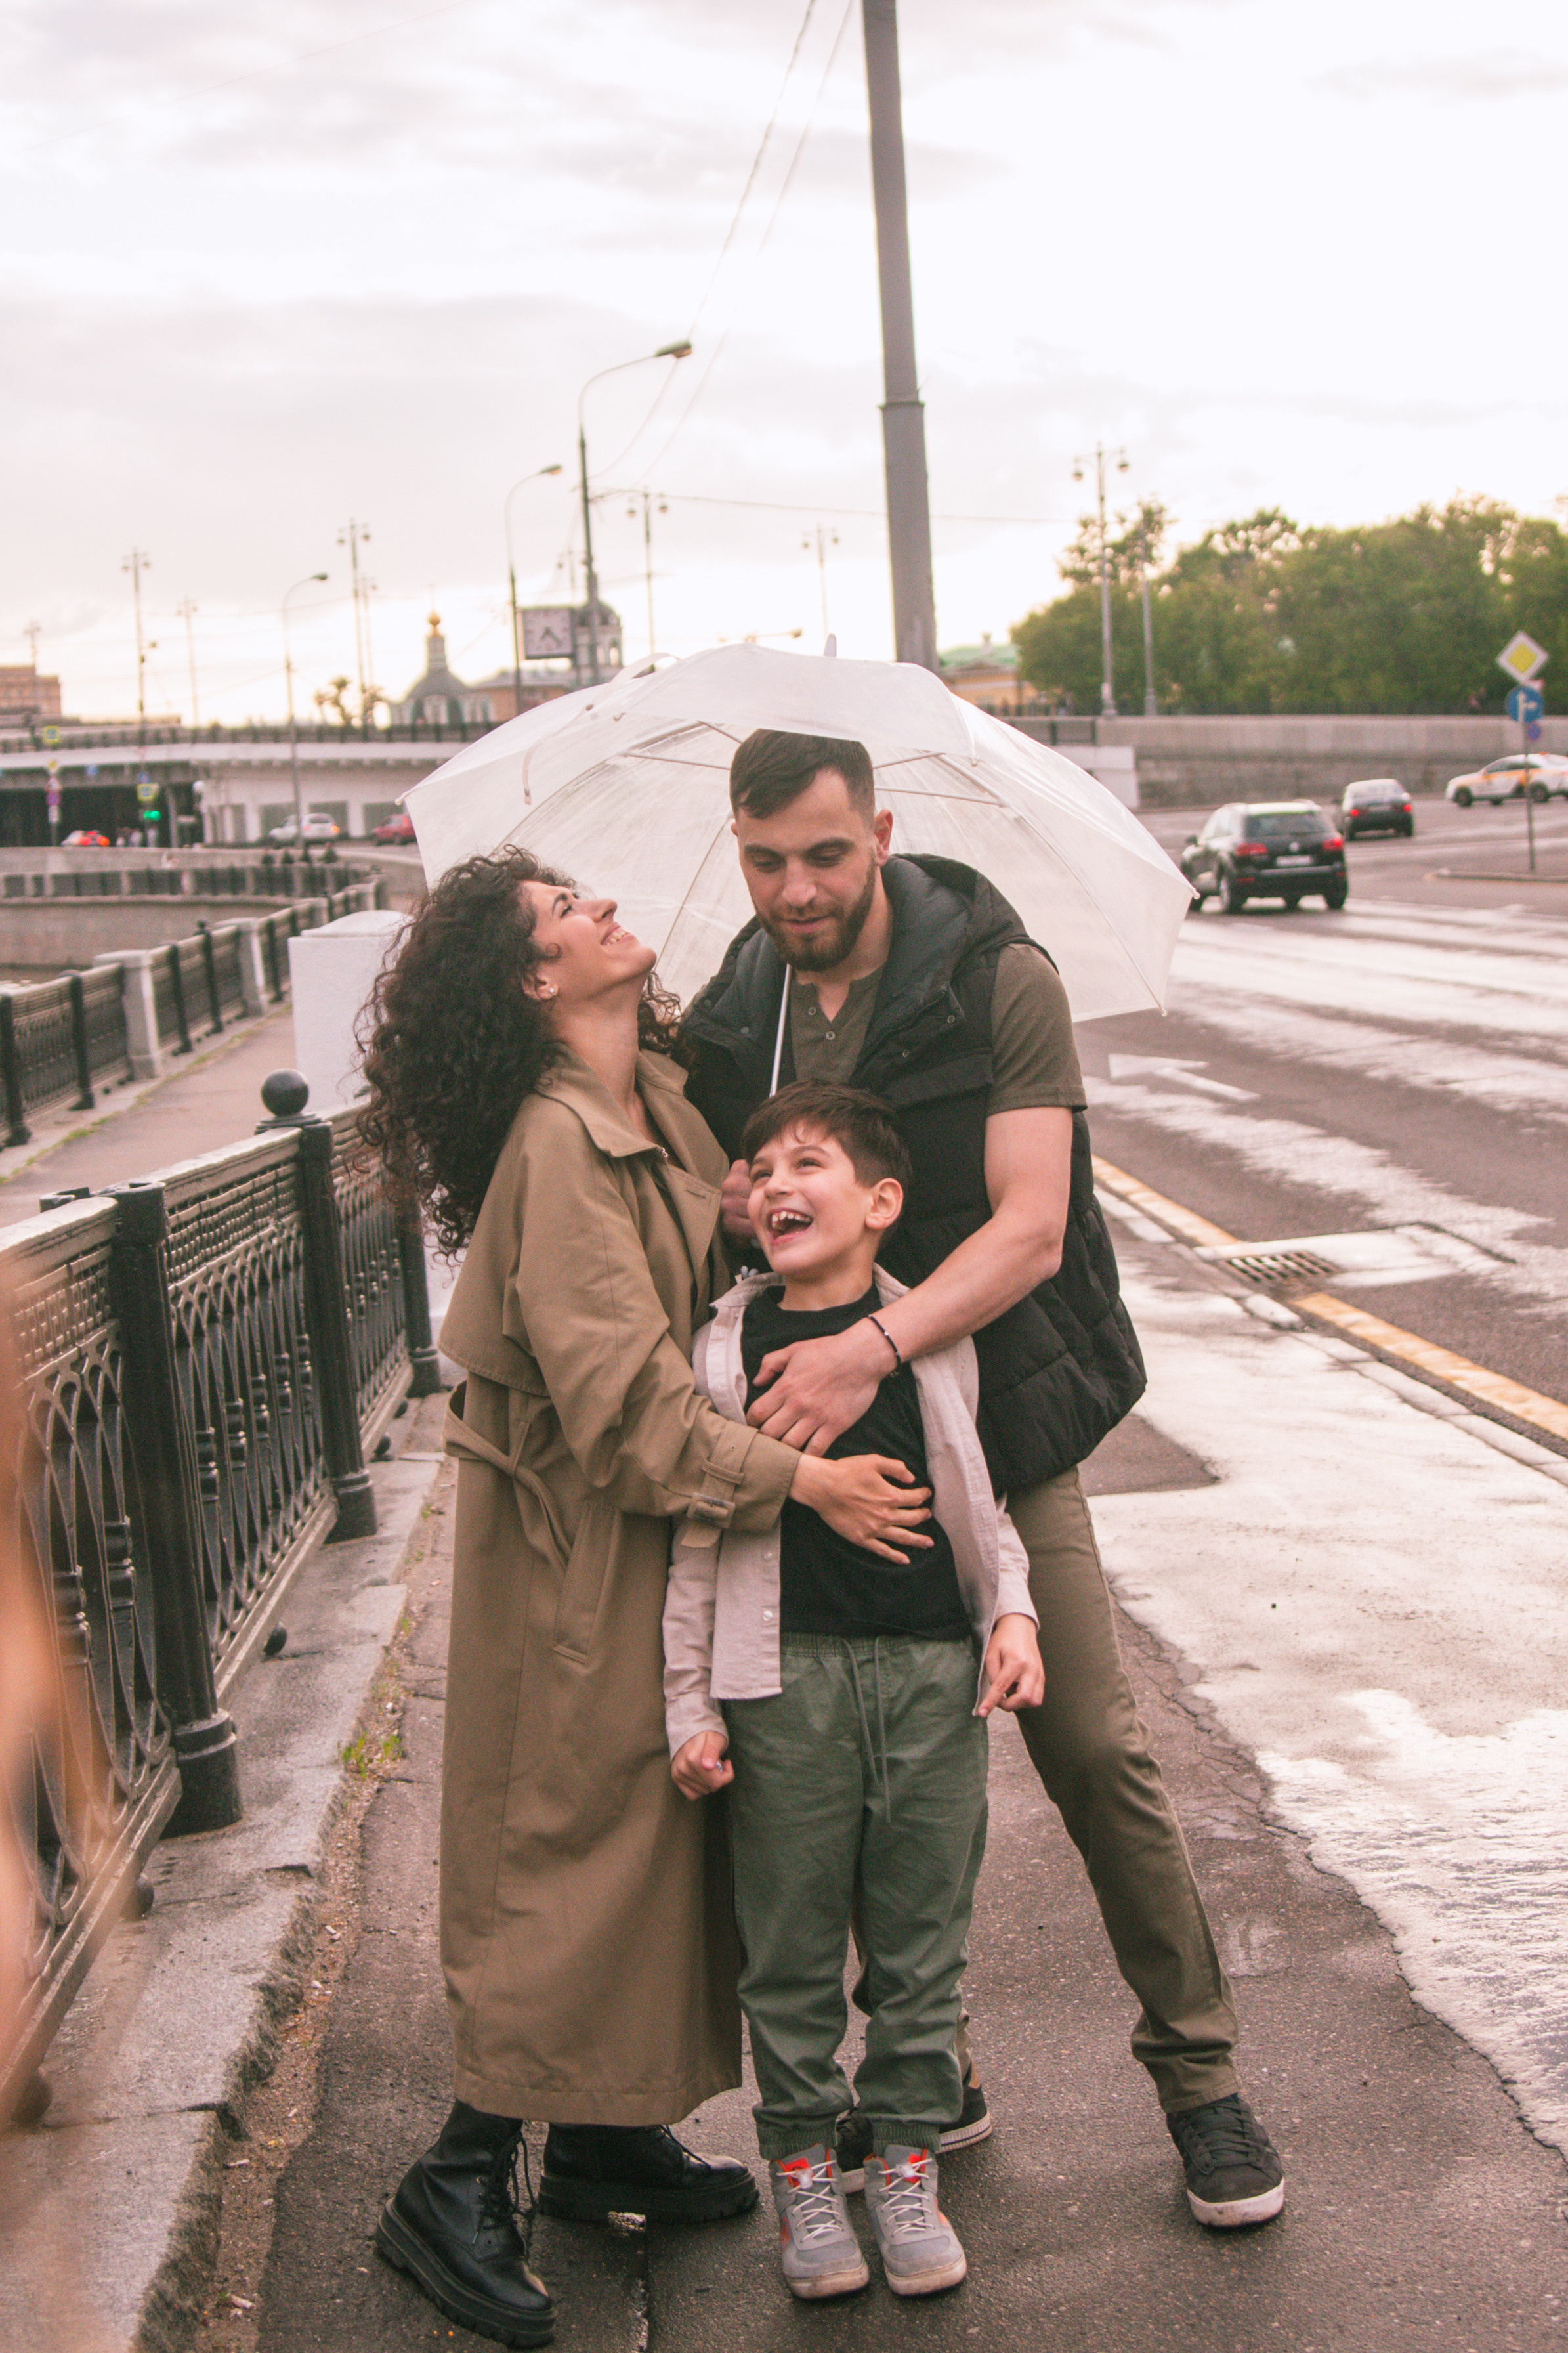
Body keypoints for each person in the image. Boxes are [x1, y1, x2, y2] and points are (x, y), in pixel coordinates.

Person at [680, 731, 1286, 2232]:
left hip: (989, 1410)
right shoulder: (740, 1005)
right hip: (812, 1441)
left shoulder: (995, 976)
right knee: (850, 1769)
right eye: (763, 860)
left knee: (1089, 1745)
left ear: (878, 831)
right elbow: (708, 1188)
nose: (795, 888)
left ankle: (1201, 2083)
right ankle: (924, 2076)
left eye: (823, 853)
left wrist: (867, 1348)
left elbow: (1027, 1224)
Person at [358, 849, 933, 2348]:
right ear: (536, 983)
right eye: (566, 915)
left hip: (651, 1536)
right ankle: (458, 2177)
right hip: (578, 1544)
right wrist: (803, 1483)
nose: (604, 910)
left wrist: (744, 1215)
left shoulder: (656, 1101)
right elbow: (621, 1411)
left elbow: (691, 1268)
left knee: (658, 1831)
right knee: (564, 1851)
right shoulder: (556, 1146)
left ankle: (603, 2135)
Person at [664, 1082, 1044, 2302]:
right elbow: (698, 1540)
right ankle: (804, 2178)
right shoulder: (726, 1346)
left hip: (935, 1679)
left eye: (808, 1164)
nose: (776, 1184)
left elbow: (976, 1493)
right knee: (785, 1954)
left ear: (880, 1203)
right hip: (783, 1690)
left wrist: (1013, 1614)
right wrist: (691, 1706)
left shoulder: (924, 1329)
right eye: (760, 1167)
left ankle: (910, 2167)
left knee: (922, 1949)